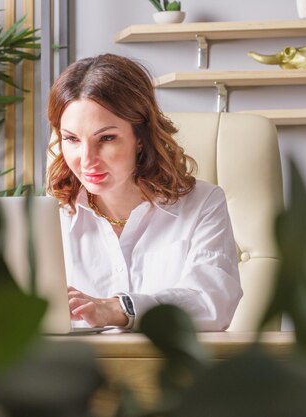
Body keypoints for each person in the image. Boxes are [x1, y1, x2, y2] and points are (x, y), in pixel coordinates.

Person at [46, 53, 242, 331]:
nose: (87, 159)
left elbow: (212, 301)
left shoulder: (203, 204)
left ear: (141, 137)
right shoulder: (51, 217)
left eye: (107, 138)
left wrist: (119, 308)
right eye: (72, 139)